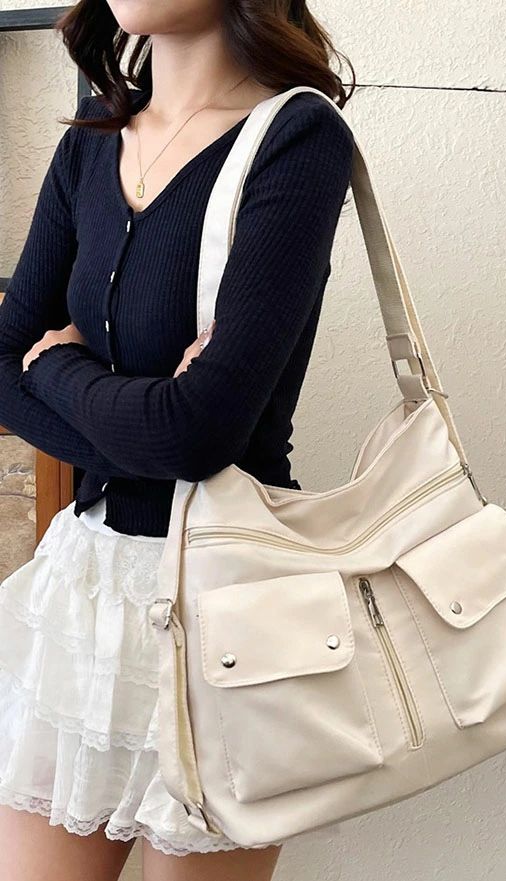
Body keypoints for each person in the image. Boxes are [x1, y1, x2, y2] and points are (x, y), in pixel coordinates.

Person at [0, 0, 356, 877]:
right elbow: (3, 366)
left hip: (229, 615)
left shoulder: (296, 138)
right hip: (85, 594)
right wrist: (156, 419)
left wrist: (59, 368)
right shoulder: (91, 142)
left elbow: (197, 434)